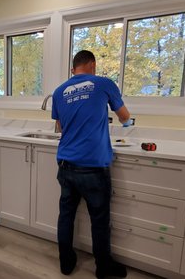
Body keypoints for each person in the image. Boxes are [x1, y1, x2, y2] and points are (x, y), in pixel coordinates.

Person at [51, 50, 131, 278]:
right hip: (93, 167)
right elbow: (125, 117)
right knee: (99, 219)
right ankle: (103, 268)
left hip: (66, 164)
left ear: (73, 69)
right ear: (93, 65)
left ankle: (66, 264)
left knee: (66, 215)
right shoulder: (103, 83)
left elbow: (61, 127)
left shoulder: (59, 92)